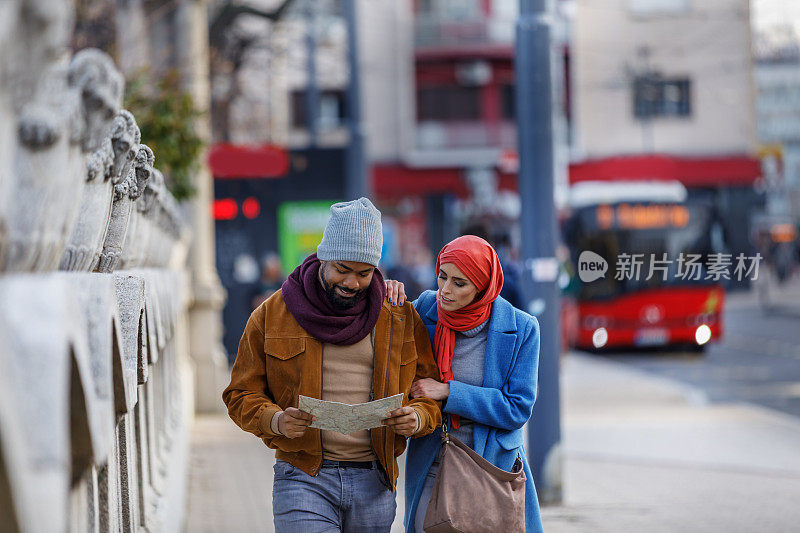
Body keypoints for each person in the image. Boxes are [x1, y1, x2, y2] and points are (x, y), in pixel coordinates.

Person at [223, 197, 442, 533]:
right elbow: (239, 393)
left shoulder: (398, 316)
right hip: (302, 476)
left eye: (364, 273)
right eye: (342, 269)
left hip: (375, 482)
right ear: (323, 256)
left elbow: (428, 394)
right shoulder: (272, 314)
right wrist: (277, 420)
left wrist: (417, 417)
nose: (352, 282)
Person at [385, 235, 543, 533]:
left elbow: (517, 408)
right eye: (442, 276)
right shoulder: (424, 310)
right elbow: (384, 333)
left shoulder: (522, 328)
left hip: (493, 467)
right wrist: (384, 292)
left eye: (460, 283)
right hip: (436, 458)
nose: (445, 289)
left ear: (483, 287)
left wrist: (448, 392)